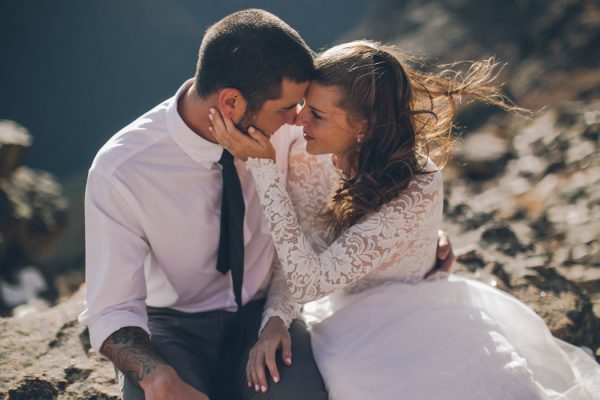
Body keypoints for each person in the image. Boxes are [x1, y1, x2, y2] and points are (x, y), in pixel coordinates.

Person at [78, 10, 454, 400]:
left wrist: (418, 242)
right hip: (175, 326)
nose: (298, 118)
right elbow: (111, 309)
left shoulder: (296, 135)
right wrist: (155, 375)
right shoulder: (122, 169)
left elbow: (365, 173)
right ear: (231, 103)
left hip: (266, 314)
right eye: (287, 107)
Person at [210, 40, 600, 399]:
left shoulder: (419, 185)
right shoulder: (307, 157)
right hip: (345, 322)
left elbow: (309, 280)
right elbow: (297, 255)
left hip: (419, 314)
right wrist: (275, 318)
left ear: (363, 127)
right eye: (303, 107)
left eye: (317, 114)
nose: (299, 122)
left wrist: (264, 170)